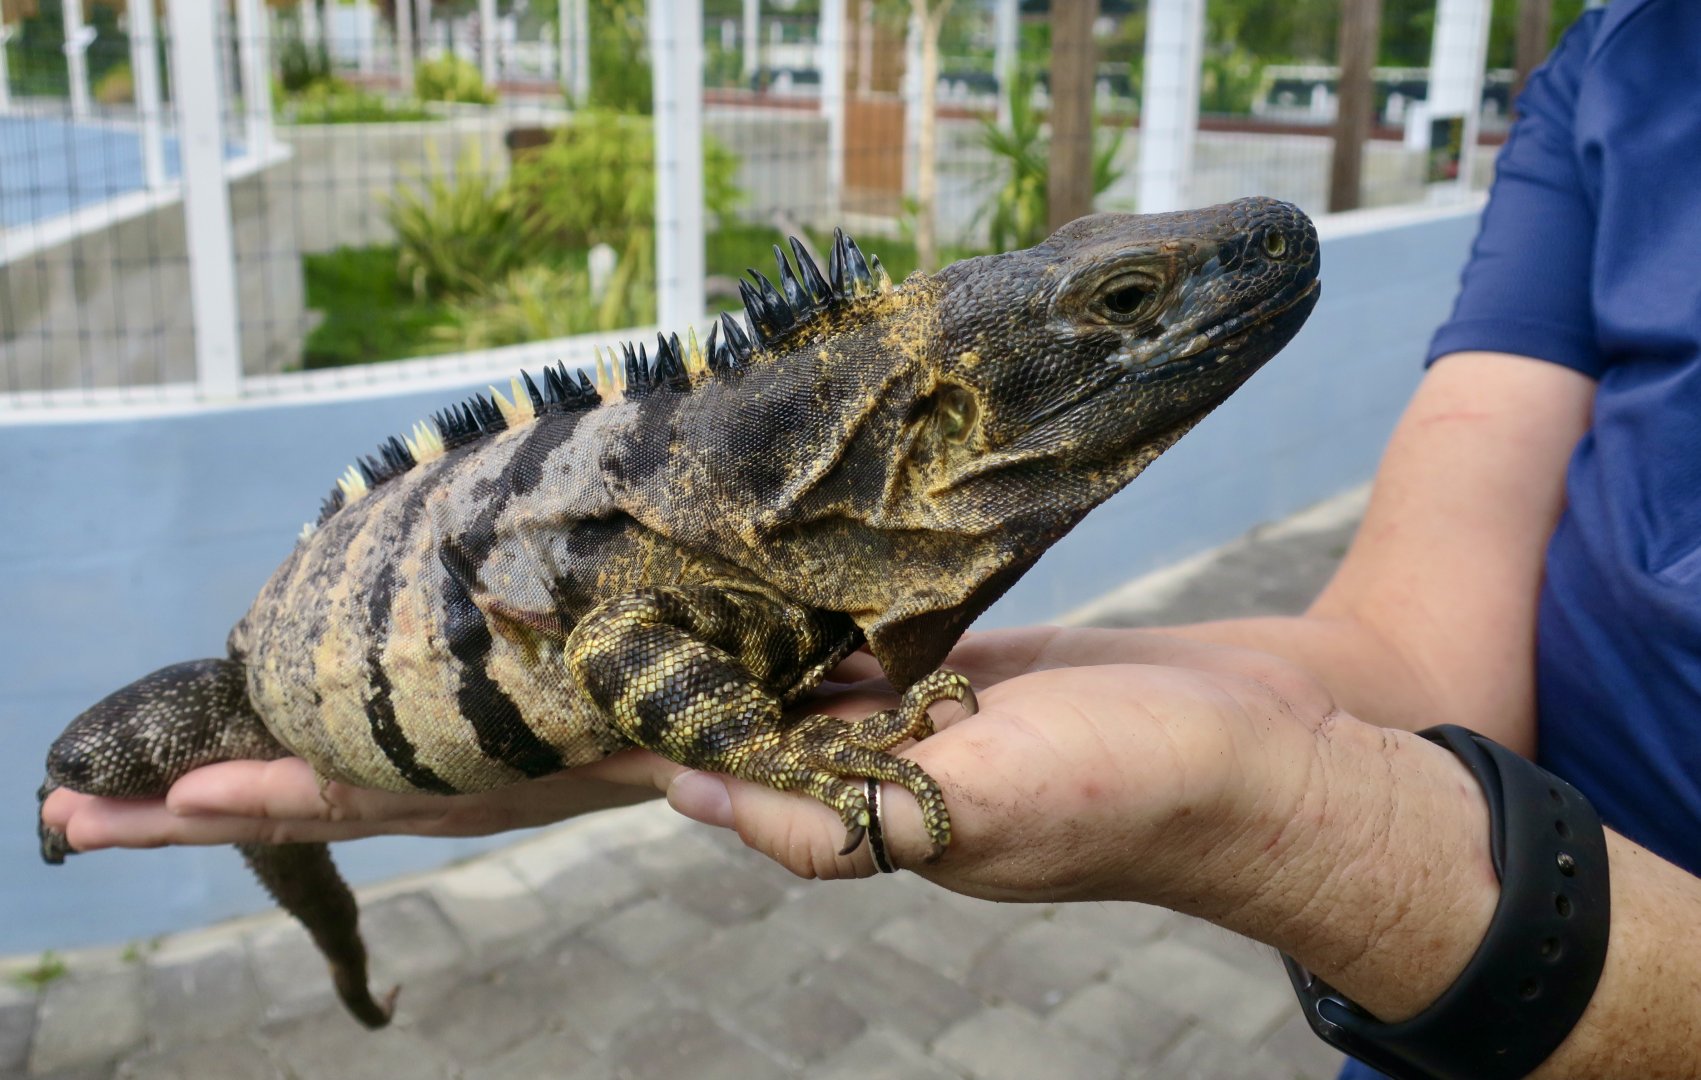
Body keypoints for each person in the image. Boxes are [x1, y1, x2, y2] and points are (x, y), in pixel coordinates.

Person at [42, 1, 1701, 1074]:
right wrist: (803, 754)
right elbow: (616, 639)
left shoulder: (782, 529)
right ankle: (312, 919)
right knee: (111, 757)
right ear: (946, 425)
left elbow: (625, 653)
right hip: (279, 683)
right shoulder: (1608, 68)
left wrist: (1302, 813)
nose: (1209, 276)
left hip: (1483, 966)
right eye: (1125, 300)